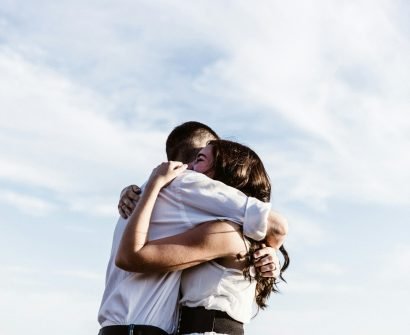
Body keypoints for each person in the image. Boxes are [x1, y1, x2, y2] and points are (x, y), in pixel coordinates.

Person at [98, 122, 287, 335]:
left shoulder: (224, 231)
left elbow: (276, 227)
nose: (191, 170)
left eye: (202, 160)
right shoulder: (184, 190)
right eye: (199, 157)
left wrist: (269, 249)